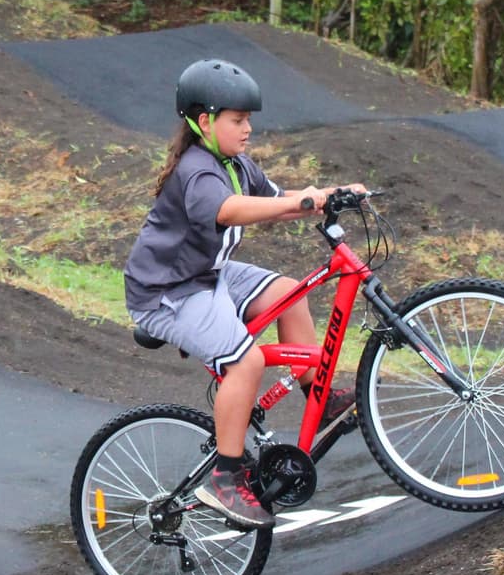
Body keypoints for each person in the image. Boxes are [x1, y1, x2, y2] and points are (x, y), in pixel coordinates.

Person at [123, 59, 366, 530]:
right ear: (205, 121)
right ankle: (225, 477)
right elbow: (231, 211)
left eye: (249, 119)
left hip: (208, 274)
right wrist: (300, 201)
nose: (248, 128)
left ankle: (316, 391)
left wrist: (334, 194)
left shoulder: (235, 165)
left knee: (290, 292)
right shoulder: (198, 172)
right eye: (238, 120)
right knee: (247, 362)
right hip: (167, 292)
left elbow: (278, 204)